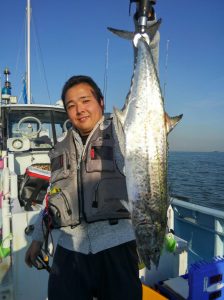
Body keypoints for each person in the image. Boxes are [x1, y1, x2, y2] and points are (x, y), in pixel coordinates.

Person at [25, 75, 142, 300]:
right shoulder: (60, 146)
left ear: (101, 102)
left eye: (85, 100)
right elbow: (53, 195)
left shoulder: (123, 134)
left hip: (117, 249)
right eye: (71, 105)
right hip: (69, 249)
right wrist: (38, 239)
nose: (79, 109)